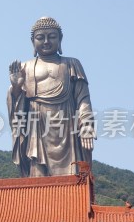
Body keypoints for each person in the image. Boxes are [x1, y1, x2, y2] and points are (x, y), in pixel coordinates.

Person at [8, 16, 95, 177]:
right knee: (38, 183)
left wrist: (87, 126)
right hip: (37, 129)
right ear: (32, 41)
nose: (46, 41)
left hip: (67, 129)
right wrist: (16, 88)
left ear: (60, 39)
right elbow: (17, 106)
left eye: (52, 37)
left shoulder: (72, 64)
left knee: (72, 178)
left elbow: (83, 100)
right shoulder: (25, 68)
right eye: (40, 37)